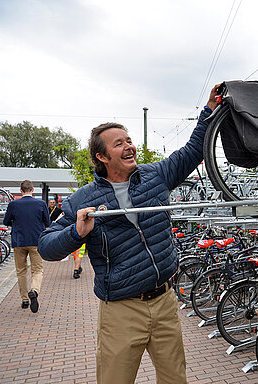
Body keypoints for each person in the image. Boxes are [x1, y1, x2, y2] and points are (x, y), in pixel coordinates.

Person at [39, 85, 219, 384]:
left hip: (164, 302)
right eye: (119, 143)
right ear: (102, 156)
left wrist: (209, 111)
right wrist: (75, 232)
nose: (129, 146)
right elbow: (47, 247)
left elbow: (192, 151)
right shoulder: (83, 199)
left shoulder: (155, 175)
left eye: (129, 140)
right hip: (121, 310)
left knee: (176, 379)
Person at [3, 179, 51, 313]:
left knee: (21, 271)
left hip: (19, 241)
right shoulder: (41, 203)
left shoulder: (13, 204)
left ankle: (24, 300)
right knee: (37, 270)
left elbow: (6, 221)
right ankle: (34, 290)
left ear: (20, 190)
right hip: (36, 241)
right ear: (33, 190)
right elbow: (47, 222)